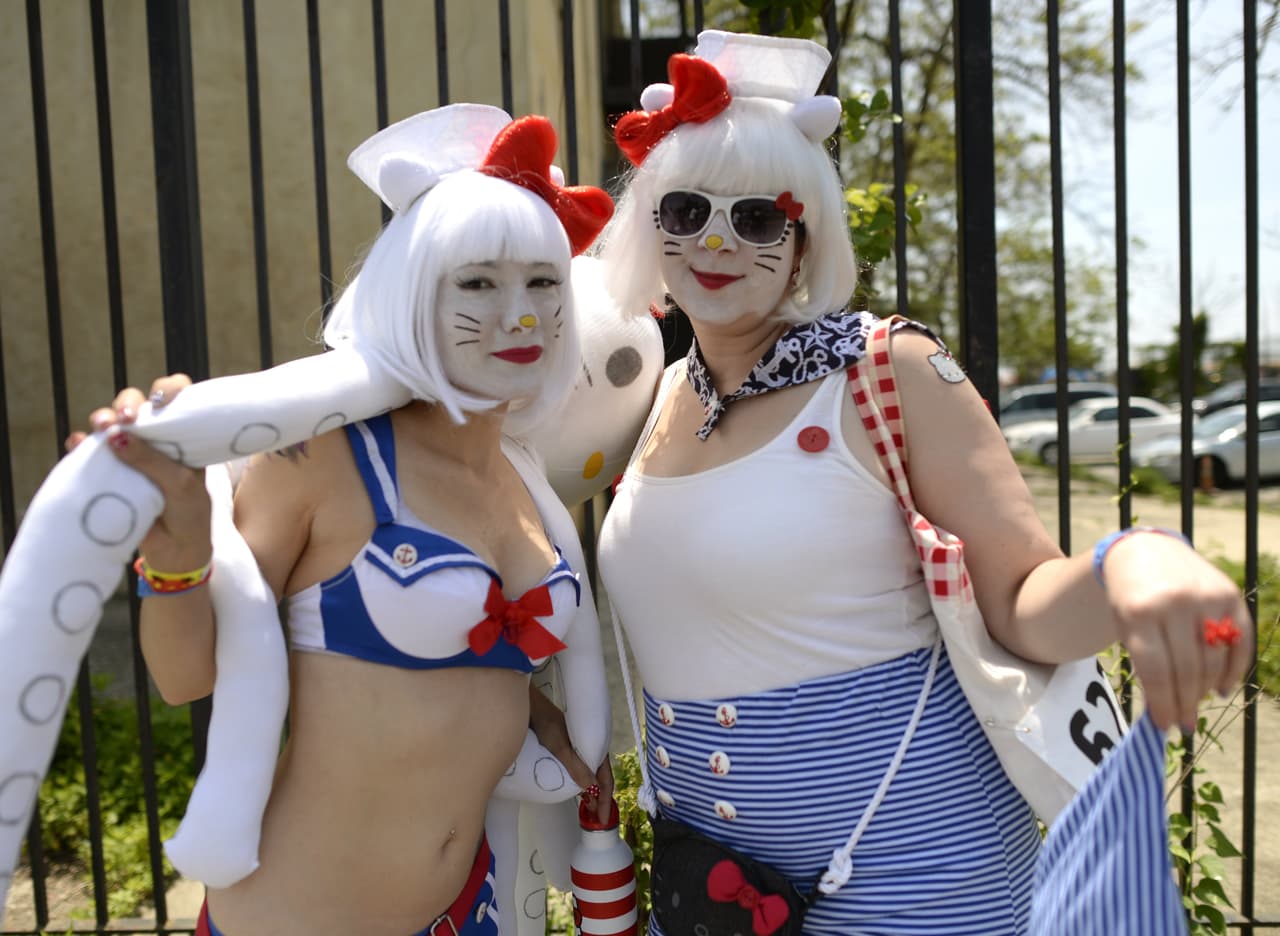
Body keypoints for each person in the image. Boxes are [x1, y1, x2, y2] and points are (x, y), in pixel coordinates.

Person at [594, 30, 1252, 934]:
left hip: (921, 885)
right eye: (684, 210)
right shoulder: (660, 399)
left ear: (802, 239)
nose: (715, 239)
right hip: (714, 897)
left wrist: (1135, 562)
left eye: (756, 218)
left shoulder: (885, 370)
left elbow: (1022, 595)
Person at [71, 105, 616, 936]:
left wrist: (537, 716)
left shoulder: (520, 472)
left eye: (543, 281)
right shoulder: (329, 455)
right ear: (411, 292)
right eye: (477, 282)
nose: (521, 315)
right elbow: (186, 676)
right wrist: (175, 541)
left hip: (467, 912)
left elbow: (459, 662)